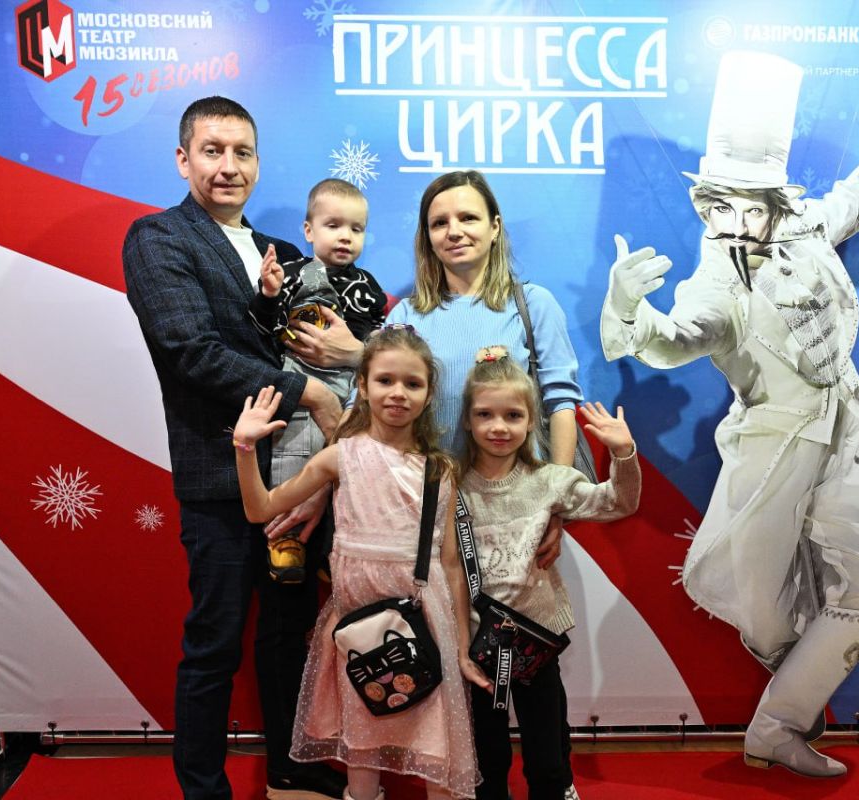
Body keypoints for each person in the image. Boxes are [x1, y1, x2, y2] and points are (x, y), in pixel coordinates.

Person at [600, 53, 859, 777]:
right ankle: (787, 692)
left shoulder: (806, 228)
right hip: (776, 448)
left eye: (752, 206)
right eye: (720, 206)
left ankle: (778, 725)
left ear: (777, 202)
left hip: (846, 429)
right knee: (766, 607)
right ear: (705, 203)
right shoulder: (715, 282)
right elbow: (680, 338)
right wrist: (627, 307)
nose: (736, 223)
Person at [122, 95, 348, 799]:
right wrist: (311, 394)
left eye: (242, 152)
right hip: (220, 478)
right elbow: (190, 350)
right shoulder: (158, 238)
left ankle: (289, 761)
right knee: (214, 644)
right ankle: (203, 789)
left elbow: (316, 345)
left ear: (258, 162)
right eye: (212, 151)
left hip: (296, 482)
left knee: (288, 635)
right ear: (183, 159)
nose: (228, 166)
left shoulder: (283, 254)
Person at [386, 170, 585, 797]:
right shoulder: (407, 315)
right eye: (440, 222)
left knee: (531, 656)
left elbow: (561, 402)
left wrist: (553, 504)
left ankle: (553, 782)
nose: (455, 231)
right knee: (471, 660)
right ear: (426, 236)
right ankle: (486, 784)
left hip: (518, 510)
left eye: (468, 217)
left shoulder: (532, 304)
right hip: (444, 517)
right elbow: (387, 408)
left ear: (495, 227)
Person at [232, 325, 485, 800]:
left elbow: (451, 564)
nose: (398, 393)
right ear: (363, 386)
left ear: (430, 394)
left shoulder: (440, 469)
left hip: (426, 619)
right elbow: (260, 509)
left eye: (413, 383)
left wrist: (461, 646)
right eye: (385, 380)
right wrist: (245, 448)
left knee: (437, 746)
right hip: (357, 625)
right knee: (362, 745)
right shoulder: (339, 457)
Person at [457, 346, 641, 800]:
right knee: (487, 752)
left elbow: (618, 503)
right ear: (467, 421)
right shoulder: (451, 484)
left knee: (546, 748)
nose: (499, 427)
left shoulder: (549, 481)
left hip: (536, 637)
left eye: (513, 416)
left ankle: (556, 789)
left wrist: (623, 453)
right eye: (485, 415)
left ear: (531, 421)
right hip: (477, 643)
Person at [248, 178, 387, 582]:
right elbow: (259, 331)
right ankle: (286, 540)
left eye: (356, 229)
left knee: (353, 464)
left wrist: (362, 351)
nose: (345, 236)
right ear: (309, 231)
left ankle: (335, 545)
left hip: (351, 387)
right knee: (296, 456)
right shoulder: (289, 274)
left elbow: (378, 342)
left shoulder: (368, 287)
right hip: (300, 382)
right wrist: (268, 295)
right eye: (333, 225)